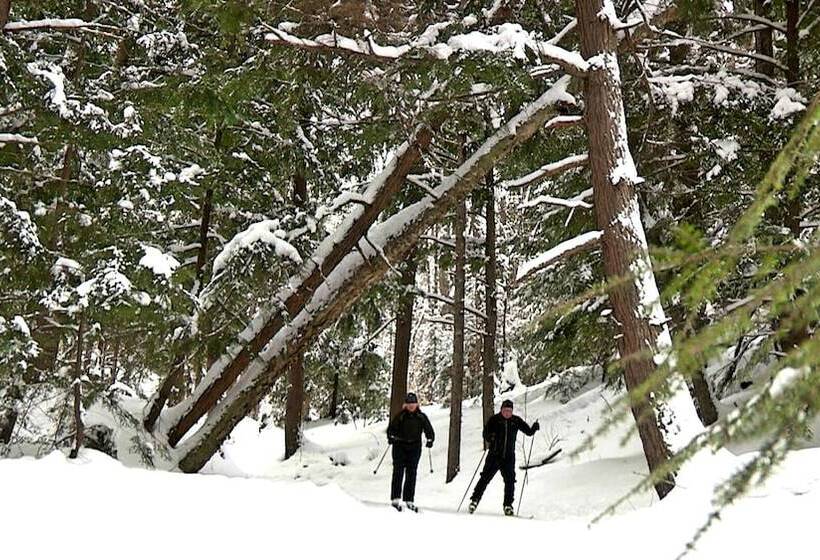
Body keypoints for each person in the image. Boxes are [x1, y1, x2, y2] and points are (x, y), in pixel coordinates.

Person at [468, 399, 539, 516]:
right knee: (485, 478)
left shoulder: (515, 421)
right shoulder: (495, 420)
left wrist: (534, 428)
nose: (507, 413)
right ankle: (474, 500)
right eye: (505, 410)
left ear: (512, 411)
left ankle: (508, 505)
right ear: (501, 410)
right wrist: (490, 437)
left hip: (509, 457)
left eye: (509, 411)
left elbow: (528, 432)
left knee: (510, 481)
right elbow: (485, 433)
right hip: (494, 455)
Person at [386, 392, 434, 512]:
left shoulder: (421, 417)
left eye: (413, 403)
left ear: (417, 404)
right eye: (409, 403)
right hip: (399, 446)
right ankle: (395, 498)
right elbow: (391, 429)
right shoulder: (401, 416)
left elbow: (429, 430)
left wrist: (430, 439)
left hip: (415, 447)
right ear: (405, 405)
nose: (411, 406)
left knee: (411, 473)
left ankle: (409, 499)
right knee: (398, 471)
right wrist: (391, 437)